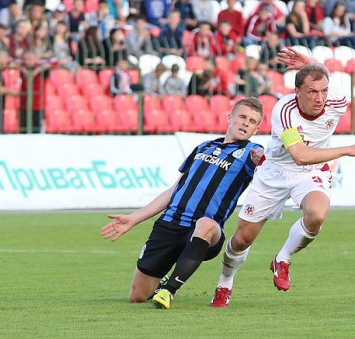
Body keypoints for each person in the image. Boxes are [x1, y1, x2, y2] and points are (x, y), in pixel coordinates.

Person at [209, 48, 355, 307]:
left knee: (317, 214)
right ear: (297, 92)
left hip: (311, 171)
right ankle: (224, 282)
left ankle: (282, 259)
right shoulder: (285, 110)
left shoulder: (337, 101)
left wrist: (311, 63)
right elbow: (299, 155)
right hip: (275, 172)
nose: (320, 98)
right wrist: (347, 149)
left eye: (323, 91)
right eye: (312, 92)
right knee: (242, 239)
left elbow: (307, 161)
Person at [101, 97, 264, 309]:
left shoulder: (251, 153)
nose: (245, 123)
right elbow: (175, 189)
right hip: (169, 224)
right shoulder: (204, 147)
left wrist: (262, 161)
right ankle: (161, 282)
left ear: (256, 129)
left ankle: (169, 290)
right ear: (230, 117)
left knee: (206, 223)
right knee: (137, 296)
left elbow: (265, 165)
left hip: (206, 232)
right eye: (242, 117)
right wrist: (134, 219)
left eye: (252, 121)